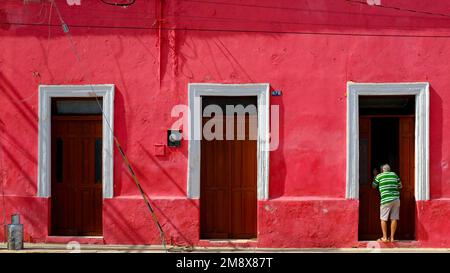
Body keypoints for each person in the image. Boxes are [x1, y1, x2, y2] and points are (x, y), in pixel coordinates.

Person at [372, 164, 402, 242]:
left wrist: (375, 175)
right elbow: (400, 186)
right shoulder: (394, 175)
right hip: (396, 199)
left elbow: (373, 186)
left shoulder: (379, 176)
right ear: (389, 169)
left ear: (382, 170)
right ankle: (392, 238)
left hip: (385, 200)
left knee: (383, 219)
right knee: (394, 218)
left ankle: (385, 238)